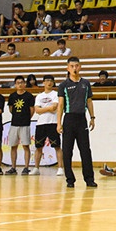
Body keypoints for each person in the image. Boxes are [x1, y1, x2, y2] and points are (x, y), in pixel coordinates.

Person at [56, 56, 97, 188]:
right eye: (72, 66)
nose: (75, 68)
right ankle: (70, 179)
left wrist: (92, 117)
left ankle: (89, 179)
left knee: (85, 150)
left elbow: (89, 101)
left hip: (81, 119)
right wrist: (58, 123)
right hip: (69, 119)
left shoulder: (86, 83)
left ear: (80, 67)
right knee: (67, 151)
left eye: (77, 66)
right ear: (67, 68)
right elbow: (60, 105)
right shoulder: (63, 85)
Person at [32, 75, 64, 176]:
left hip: (53, 123)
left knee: (57, 146)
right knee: (38, 147)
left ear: (53, 83)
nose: (49, 82)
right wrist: (48, 108)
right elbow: (37, 110)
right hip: (41, 123)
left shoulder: (56, 94)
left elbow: (54, 107)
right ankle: (36, 168)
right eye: (47, 80)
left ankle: (60, 168)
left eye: (51, 81)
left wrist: (42, 109)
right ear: (43, 82)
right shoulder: (39, 96)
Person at [5, 75, 35, 175]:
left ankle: (26, 167)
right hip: (14, 124)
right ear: (15, 84)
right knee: (13, 146)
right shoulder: (12, 96)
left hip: (25, 124)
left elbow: (32, 110)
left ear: (25, 84)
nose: (20, 85)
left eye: (22, 82)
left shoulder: (29, 96)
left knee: (26, 146)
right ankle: (13, 167)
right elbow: (11, 109)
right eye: (18, 83)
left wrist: (26, 119)